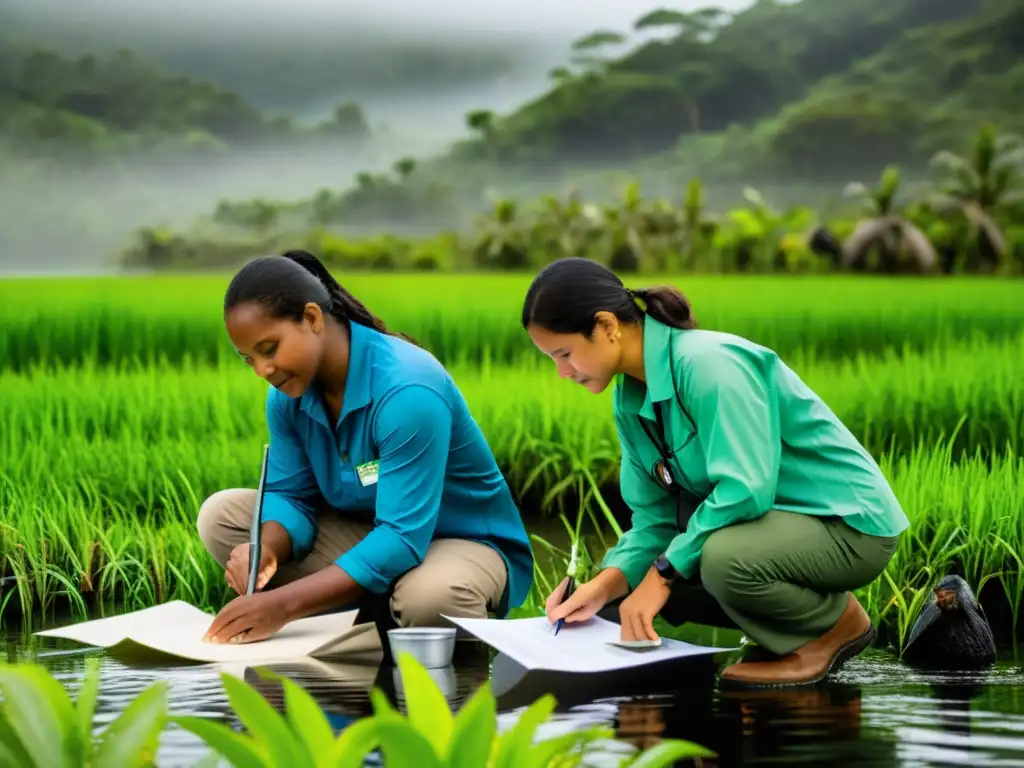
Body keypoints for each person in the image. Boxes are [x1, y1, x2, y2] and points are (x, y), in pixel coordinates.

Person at [521, 257, 909, 689]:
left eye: (564, 353)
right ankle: (782, 638)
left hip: (846, 525)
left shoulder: (709, 367)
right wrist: (602, 586)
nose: (562, 372)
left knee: (718, 559)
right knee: (638, 581)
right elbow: (655, 521)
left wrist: (662, 574)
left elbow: (746, 491)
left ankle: (832, 628)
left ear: (608, 325)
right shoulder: (630, 400)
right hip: (775, 529)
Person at [197, 250, 535, 651]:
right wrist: (267, 548)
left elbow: (401, 536)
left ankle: (400, 616)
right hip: (369, 534)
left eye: (269, 349)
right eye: (248, 358)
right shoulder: (288, 395)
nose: (262, 370)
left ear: (312, 318)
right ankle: (376, 619)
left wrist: (282, 605)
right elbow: (291, 496)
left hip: (457, 543)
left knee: (430, 600)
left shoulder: (407, 390)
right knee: (222, 518)